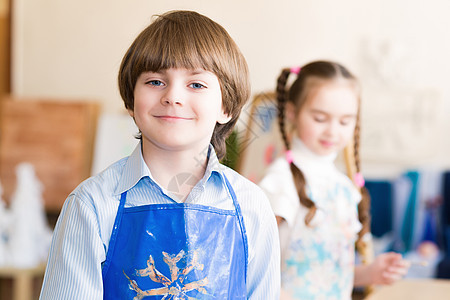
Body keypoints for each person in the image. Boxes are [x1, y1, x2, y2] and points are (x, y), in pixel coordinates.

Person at [39, 10, 280, 299]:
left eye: (196, 84)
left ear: (225, 107)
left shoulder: (251, 205)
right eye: (155, 81)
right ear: (131, 101)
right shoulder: (91, 205)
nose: (173, 96)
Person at [259, 61, 409, 299]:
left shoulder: (345, 187)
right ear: (292, 112)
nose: (332, 131)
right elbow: (252, 266)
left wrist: (370, 274)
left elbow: (330, 274)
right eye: (320, 118)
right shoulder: (280, 181)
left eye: (345, 121)